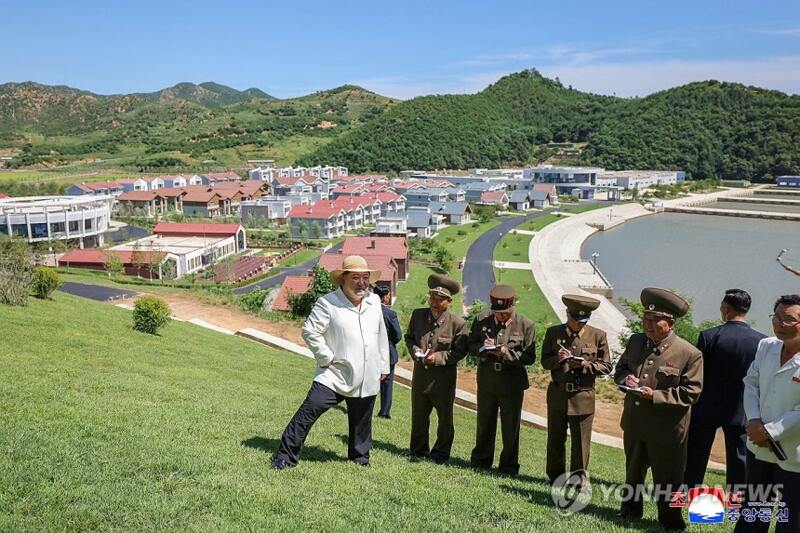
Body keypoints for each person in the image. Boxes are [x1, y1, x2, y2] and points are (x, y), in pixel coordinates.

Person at [271, 255, 390, 470]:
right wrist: (325, 356)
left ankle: (359, 458)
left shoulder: (373, 302)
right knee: (308, 412)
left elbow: (381, 334)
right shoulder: (328, 303)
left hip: (367, 375)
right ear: (343, 279)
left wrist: (383, 366)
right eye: (356, 278)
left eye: (365, 278)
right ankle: (285, 456)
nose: (362, 283)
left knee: (362, 421)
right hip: (334, 374)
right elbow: (310, 331)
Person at [614, 287, 703, 531]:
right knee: (633, 471)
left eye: (655, 320)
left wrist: (655, 395)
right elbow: (620, 369)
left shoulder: (689, 353)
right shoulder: (636, 341)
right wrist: (626, 380)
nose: (648, 324)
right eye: (645, 319)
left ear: (671, 323)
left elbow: (691, 392)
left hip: (667, 430)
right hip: (635, 422)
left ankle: (672, 521)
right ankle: (629, 510)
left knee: (670, 479)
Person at [684, 289, 766, 489]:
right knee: (740, 456)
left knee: (696, 452)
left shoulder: (709, 336)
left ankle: (688, 490)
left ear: (726, 308)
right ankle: (737, 497)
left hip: (707, 405)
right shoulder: (762, 342)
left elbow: (698, 372)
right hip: (742, 406)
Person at [735, 294, 800, 533]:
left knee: (789, 518)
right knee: (753, 511)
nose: (780, 324)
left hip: (794, 455)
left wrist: (769, 432)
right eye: (777, 318)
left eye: (789, 320)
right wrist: (753, 420)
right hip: (759, 448)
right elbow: (751, 384)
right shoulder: (767, 346)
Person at [541, 294, 611, 491]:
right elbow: (545, 362)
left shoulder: (598, 335)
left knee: (581, 444)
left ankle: (578, 481)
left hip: (583, 397)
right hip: (558, 395)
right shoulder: (553, 333)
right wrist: (558, 359)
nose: (578, 325)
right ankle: (554, 476)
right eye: (575, 320)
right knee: (555, 438)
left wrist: (584, 365)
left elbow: (606, 366)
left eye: (583, 322)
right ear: (567, 314)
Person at [469, 284, 536, 476]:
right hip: (487, 380)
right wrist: (482, 348)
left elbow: (529, 357)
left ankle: (508, 466)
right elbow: (471, 344)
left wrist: (506, 353)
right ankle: (481, 461)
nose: (500, 316)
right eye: (497, 313)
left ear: (513, 306)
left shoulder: (526, 325)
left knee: (510, 427)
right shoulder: (482, 320)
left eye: (505, 313)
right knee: (484, 423)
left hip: (512, 384)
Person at [405, 274, 468, 463]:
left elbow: (460, 351)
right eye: (432, 297)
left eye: (440, 299)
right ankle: (418, 450)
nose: (434, 302)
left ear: (449, 301)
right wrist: (415, 349)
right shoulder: (418, 315)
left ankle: (440, 453)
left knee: (445, 419)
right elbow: (409, 338)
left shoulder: (458, 323)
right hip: (421, 376)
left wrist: (438, 357)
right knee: (419, 416)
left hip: (443, 380)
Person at [375, 285, 403, 419]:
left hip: (370, 352)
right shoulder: (390, 314)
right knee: (387, 384)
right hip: (387, 353)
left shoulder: (366, 311)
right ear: (385, 297)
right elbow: (398, 335)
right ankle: (384, 412)